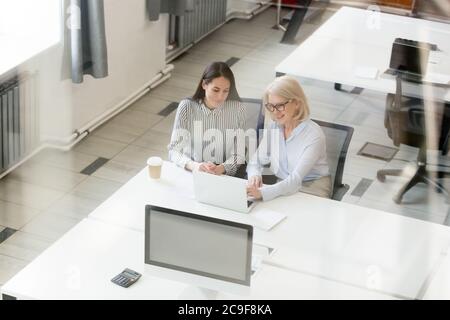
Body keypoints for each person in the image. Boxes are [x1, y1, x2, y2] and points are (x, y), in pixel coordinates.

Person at [246, 76, 331, 201]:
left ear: (296, 103)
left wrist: (264, 193)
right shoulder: (274, 127)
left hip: (312, 188)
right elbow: (255, 161)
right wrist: (254, 176)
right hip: (283, 185)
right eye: (271, 106)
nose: (275, 112)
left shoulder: (314, 135)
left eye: (280, 105)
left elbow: (295, 179)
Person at [168, 61, 246, 176]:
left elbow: (239, 154)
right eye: (216, 90)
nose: (220, 97)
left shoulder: (238, 108)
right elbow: (174, 151)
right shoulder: (187, 107)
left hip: (223, 174)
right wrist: (196, 166)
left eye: (226, 91)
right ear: (204, 85)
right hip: (192, 170)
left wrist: (221, 168)